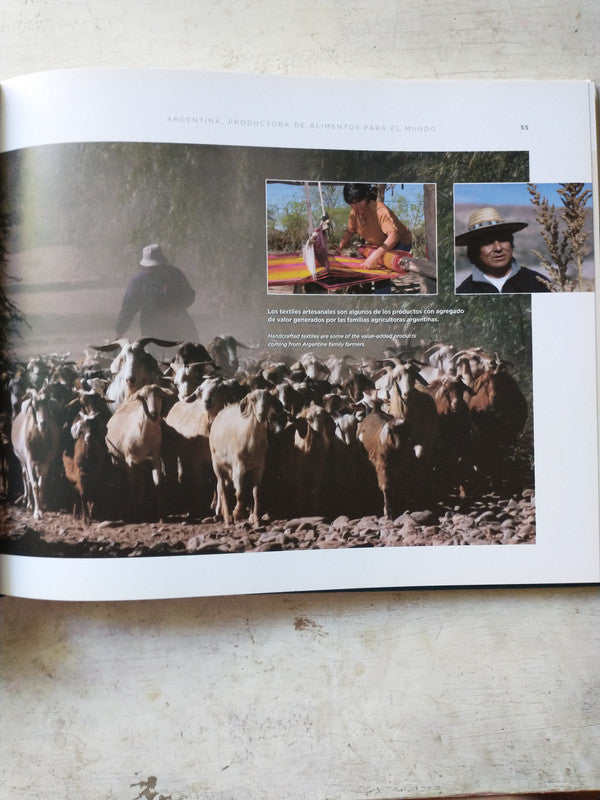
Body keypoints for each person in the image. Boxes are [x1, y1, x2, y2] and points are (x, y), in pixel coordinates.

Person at [455, 207, 551, 294]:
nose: (498, 248)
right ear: (475, 250)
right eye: (488, 243)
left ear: (511, 243)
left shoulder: (537, 283)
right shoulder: (465, 291)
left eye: (503, 239)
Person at [115, 243, 198, 341]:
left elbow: (189, 295)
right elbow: (128, 308)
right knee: (154, 355)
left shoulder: (175, 275)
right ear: (145, 266)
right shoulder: (138, 283)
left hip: (181, 327)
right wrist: (120, 330)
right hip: (152, 331)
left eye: (156, 266)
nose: (153, 269)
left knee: (192, 354)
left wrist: (176, 306)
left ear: (162, 263)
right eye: (150, 267)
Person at [336, 183, 413, 269]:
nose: (357, 206)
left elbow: (394, 236)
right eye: (352, 203)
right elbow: (349, 232)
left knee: (384, 267)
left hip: (400, 243)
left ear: (367, 197)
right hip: (381, 244)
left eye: (360, 201)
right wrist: (339, 249)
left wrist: (375, 256)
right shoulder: (354, 214)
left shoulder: (380, 211)